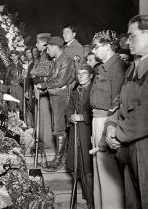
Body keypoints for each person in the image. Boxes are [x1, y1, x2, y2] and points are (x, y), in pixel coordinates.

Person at [105, 14, 148, 209]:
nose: (127, 41)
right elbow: (120, 101)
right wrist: (110, 124)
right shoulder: (132, 68)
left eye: (132, 36)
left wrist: (118, 133)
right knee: (133, 202)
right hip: (130, 144)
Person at [90, 30, 126, 209]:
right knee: (99, 171)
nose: (93, 51)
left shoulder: (117, 68)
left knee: (109, 174)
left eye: (96, 47)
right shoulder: (102, 67)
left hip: (107, 122)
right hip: (97, 120)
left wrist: (106, 132)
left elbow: (118, 104)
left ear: (107, 46)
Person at [36, 36, 75, 171]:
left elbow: (60, 80)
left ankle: (59, 161)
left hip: (62, 97)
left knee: (59, 128)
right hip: (55, 96)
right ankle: (60, 158)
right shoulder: (56, 61)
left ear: (54, 47)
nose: (47, 51)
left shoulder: (66, 60)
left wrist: (43, 85)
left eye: (48, 48)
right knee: (57, 127)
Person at [66, 64, 94, 208]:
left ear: (91, 75)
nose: (80, 75)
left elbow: (101, 110)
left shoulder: (94, 89)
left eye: (84, 73)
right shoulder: (75, 90)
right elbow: (69, 108)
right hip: (75, 132)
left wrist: (82, 117)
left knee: (88, 169)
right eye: (78, 73)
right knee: (77, 167)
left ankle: (92, 202)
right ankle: (85, 198)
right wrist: (70, 117)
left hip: (88, 132)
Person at [6, 50, 24, 117]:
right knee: (12, 104)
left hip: (20, 86)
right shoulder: (9, 67)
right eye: (12, 56)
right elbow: (6, 78)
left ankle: (23, 120)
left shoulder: (22, 65)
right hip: (12, 87)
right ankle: (12, 121)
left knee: (21, 103)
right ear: (10, 57)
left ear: (18, 56)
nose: (14, 57)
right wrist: (10, 82)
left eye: (15, 55)